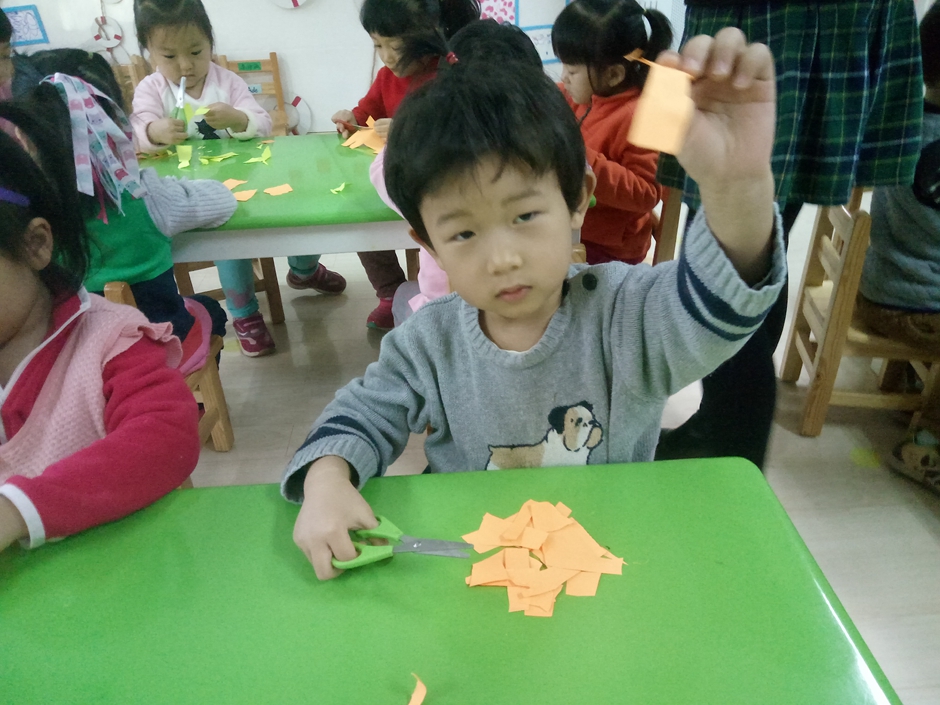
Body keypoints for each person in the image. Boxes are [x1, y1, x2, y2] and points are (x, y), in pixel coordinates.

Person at [285, 28, 788, 579]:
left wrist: (738, 188)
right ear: (428, 244)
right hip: (473, 565)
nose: (502, 259)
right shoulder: (429, 341)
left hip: (606, 562)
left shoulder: (627, 316)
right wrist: (327, 479)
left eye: (524, 216)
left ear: (578, 200)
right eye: (463, 233)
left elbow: (722, 305)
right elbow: (362, 412)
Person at [655, 0, 924, 470]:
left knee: (723, 277)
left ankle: (733, 462)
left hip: (793, 25)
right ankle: (719, 424)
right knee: (740, 267)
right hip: (776, 26)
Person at [0, 120, 200, 555]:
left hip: (126, 573)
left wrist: (17, 510)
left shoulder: (113, 343)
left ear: (35, 245)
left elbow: (167, 439)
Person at [131, 0, 346, 356]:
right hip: (190, 194)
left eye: (196, 52)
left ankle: (304, 269)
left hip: (247, 180)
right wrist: (153, 131)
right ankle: (245, 314)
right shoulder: (152, 90)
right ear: (149, 53)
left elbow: (263, 123)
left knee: (304, 209)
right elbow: (134, 134)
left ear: (210, 44)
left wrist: (238, 118)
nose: (185, 65)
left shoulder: (227, 82)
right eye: (169, 56)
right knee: (228, 240)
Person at [3, 51, 232, 374]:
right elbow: (223, 201)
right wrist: (169, 184)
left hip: (77, 366)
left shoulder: (21, 219)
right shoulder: (144, 194)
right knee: (209, 309)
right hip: (160, 352)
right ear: (113, 123)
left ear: (23, 136)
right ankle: (184, 394)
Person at [378, 18, 544, 326]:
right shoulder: (549, 153)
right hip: (534, 308)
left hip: (442, 312)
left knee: (403, 296)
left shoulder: (432, 166)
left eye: (525, 216)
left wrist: (405, 139)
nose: (502, 261)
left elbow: (382, 173)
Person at [331, 0, 481, 330]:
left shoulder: (448, 73)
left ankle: (416, 292)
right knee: (361, 225)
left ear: (426, 35)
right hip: (391, 185)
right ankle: (389, 292)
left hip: (431, 189)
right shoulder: (386, 77)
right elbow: (365, 113)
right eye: (377, 45)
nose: (385, 56)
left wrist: (407, 129)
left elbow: (456, 131)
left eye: (394, 46)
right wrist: (350, 118)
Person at [857, 3, 940, 493]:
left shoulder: (909, 118)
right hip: (908, 303)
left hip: (884, 282)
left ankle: (908, 383)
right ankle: (925, 444)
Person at [552, 0, 671, 265]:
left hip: (610, 250)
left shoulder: (640, 116)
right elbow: (551, 96)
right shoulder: (583, 95)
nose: (564, 77)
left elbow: (647, 193)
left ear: (614, 74)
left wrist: (584, 161)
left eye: (572, 70)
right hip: (578, 228)